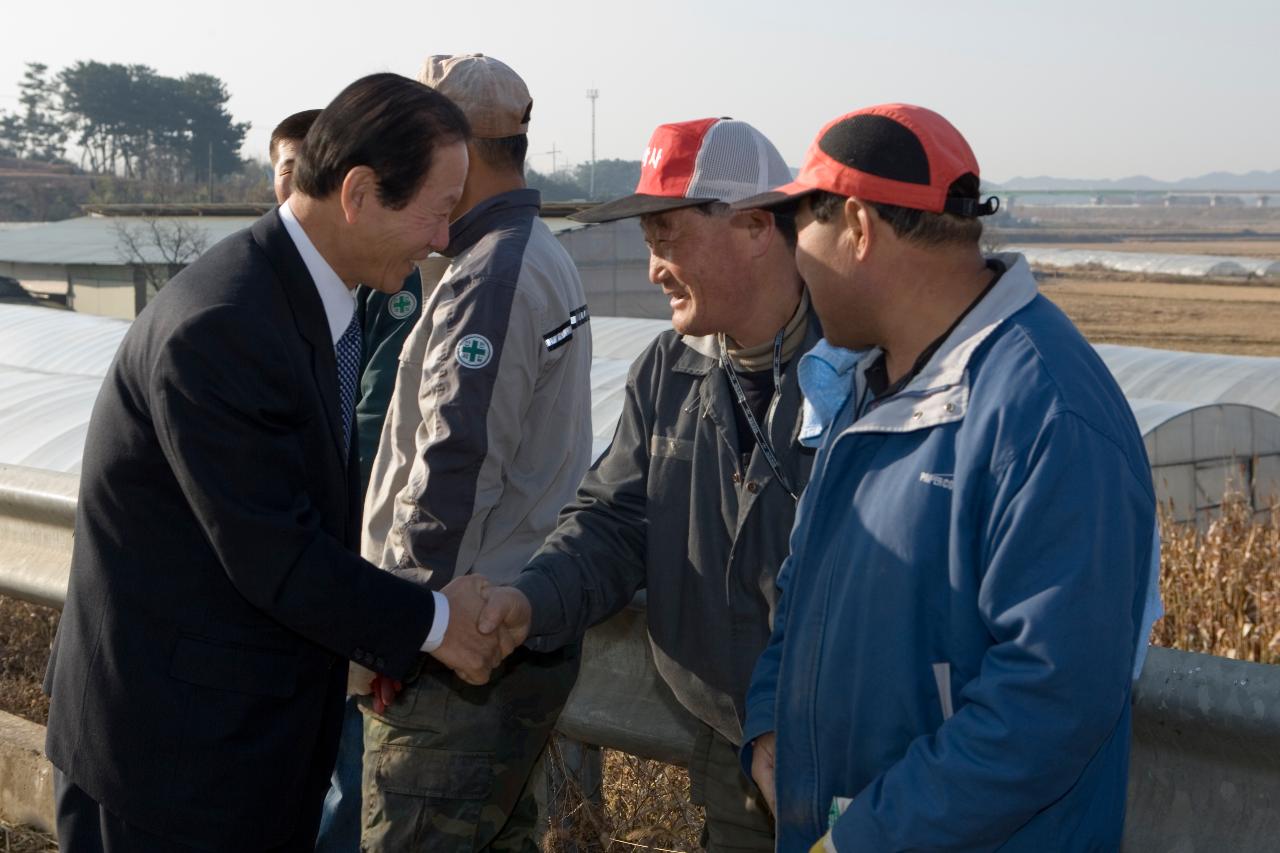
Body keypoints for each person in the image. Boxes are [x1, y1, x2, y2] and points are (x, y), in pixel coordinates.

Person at [42, 73, 504, 852]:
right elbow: (274, 554)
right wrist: (434, 621)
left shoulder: (299, 298)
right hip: (168, 769)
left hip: (235, 750)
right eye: (436, 207)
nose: (441, 236)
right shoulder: (225, 326)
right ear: (358, 193)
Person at [720, 103, 1158, 851]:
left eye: (803, 230)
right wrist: (769, 725)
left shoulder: (1047, 412)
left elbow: (1051, 699)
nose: (796, 260)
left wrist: (870, 834)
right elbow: (805, 589)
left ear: (858, 228)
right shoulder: (862, 385)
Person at [477, 116, 814, 851]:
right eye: (647, 241)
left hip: (856, 757)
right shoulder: (671, 371)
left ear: (757, 225)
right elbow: (616, 520)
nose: (654, 266)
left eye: (666, 236)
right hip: (736, 755)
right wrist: (529, 599)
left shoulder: (863, 369)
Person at [357, 54, 593, 852]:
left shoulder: (488, 274)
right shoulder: (533, 250)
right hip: (506, 624)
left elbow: (453, 470)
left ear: (449, 144)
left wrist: (401, 630)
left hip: (458, 645)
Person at [264, 107, 429, 853]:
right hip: (315, 570)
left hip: (352, 556)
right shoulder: (246, 306)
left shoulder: (385, 288)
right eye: (291, 175)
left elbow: (374, 422)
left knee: (347, 770)